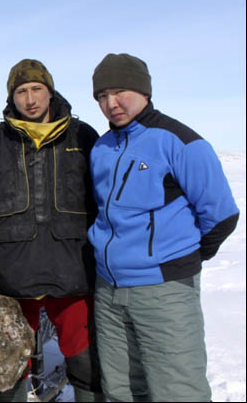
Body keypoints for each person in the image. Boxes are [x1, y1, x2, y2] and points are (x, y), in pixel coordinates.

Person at [88, 53, 240, 402]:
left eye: (121, 91)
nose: (111, 104)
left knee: (177, 391)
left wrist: (177, 260)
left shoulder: (180, 142)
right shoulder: (102, 148)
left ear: (144, 90)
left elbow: (221, 215)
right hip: (108, 290)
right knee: (123, 389)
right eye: (102, 96)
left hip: (163, 292)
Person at [0, 59, 105, 402]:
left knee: (85, 359)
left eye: (36, 89)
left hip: (73, 271)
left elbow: (103, 199)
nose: (30, 99)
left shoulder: (82, 135)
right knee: (9, 360)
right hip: (10, 276)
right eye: (21, 91)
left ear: (50, 92)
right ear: (13, 98)